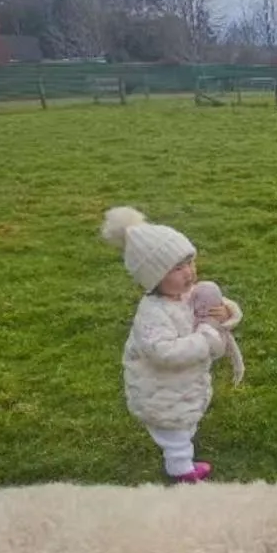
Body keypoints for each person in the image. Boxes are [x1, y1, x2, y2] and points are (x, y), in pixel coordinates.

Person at [99, 206, 242, 483]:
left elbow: (206, 312)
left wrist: (225, 313)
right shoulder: (152, 313)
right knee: (174, 430)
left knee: (185, 424)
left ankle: (182, 461)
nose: (189, 272)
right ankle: (182, 472)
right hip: (159, 388)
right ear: (154, 278)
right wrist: (206, 338)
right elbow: (162, 351)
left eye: (190, 262)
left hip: (182, 384)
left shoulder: (186, 295)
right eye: (177, 268)